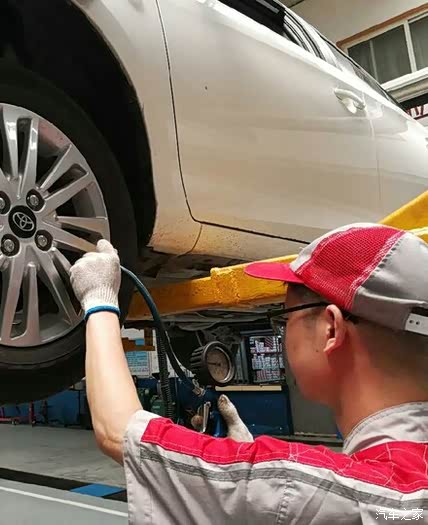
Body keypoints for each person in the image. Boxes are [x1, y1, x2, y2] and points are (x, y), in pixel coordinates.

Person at [69, 223, 428, 524]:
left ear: (330, 329)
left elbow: (119, 430)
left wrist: (99, 298)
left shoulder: (312, 490)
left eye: (284, 318)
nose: (283, 333)